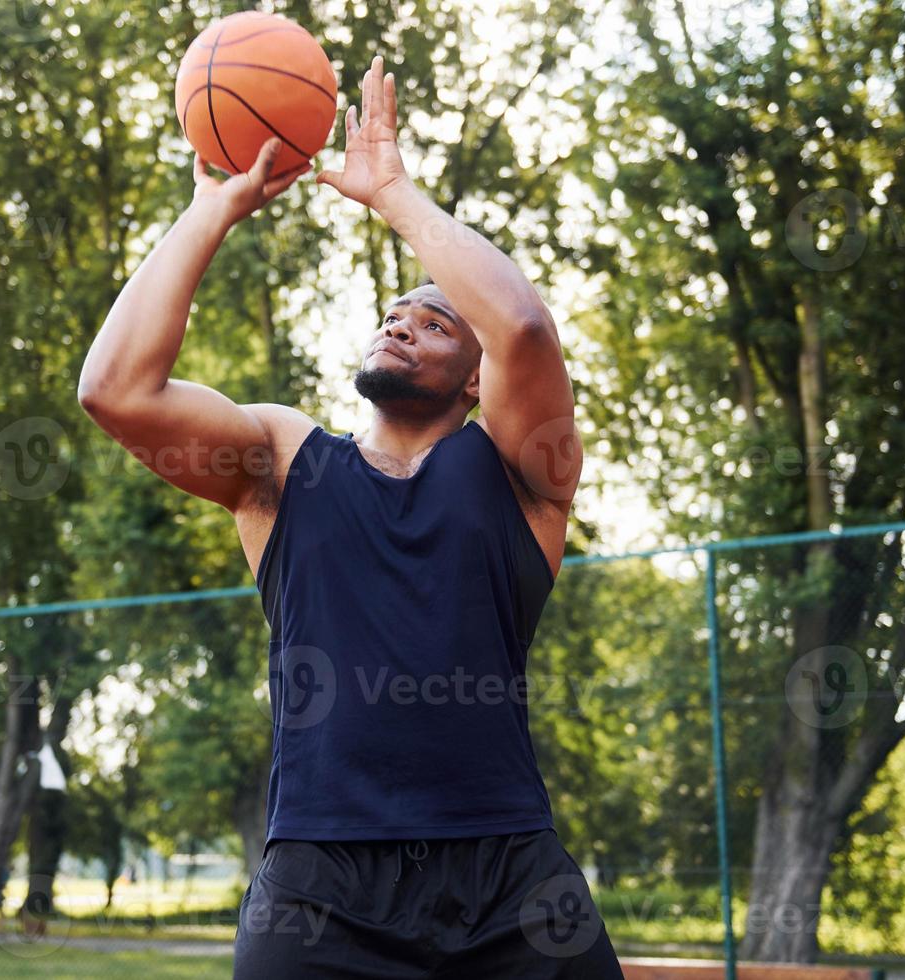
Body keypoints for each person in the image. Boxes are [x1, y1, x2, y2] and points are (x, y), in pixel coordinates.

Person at [79, 54, 625, 980]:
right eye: (395, 312)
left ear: (479, 379)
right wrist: (216, 204)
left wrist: (395, 194)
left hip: (510, 885)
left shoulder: (522, 477)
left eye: (437, 323)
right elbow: (116, 389)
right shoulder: (287, 462)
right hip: (319, 894)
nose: (403, 322)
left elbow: (525, 329)